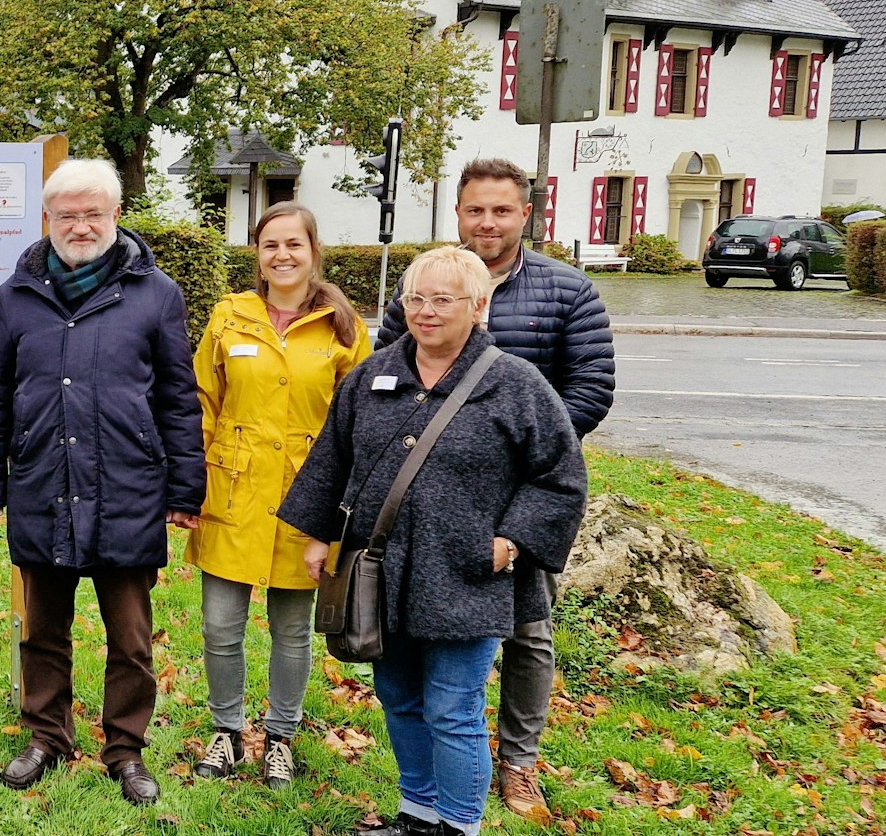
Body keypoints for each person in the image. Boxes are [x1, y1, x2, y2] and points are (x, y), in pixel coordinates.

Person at [282, 247, 587, 836]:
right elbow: (334, 456)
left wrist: (514, 542)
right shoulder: (373, 374)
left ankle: (458, 825)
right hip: (381, 569)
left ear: (478, 306)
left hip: (466, 575)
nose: (425, 311)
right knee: (399, 697)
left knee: (453, 709)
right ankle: (417, 815)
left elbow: (560, 476)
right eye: (416, 297)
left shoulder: (514, 383)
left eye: (443, 299)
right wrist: (321, 535)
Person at [375, 157, 615, 823]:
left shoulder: (567, 291)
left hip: (522, 496)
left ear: (525, 214)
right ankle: (429, 802)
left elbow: (591, 386)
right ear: (458, 212)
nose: (487, 220)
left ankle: (518, 761)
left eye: (501, 209)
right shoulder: (425, 281)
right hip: (434, 502)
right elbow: (388, 377)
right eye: (475, 208)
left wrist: (511, 451)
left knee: (529, 635)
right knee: (433, 657)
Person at [0, 159, 206, 807]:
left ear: (115, 216)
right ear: (49, 219)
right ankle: (49, 735)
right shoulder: (18, 295)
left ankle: (125, 748)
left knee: (129, 635)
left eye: (92, 213)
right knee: (43, 626)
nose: (80, 225)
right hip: (43, 483)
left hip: (127, 488)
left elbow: (179, 401)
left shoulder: (156, 294)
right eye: (66, 214)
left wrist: (186, 490)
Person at [186, 203, 368, 789]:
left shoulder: (343, 328)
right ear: (257, 255)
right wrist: (189, 484)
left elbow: (361, 425)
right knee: (220, 625)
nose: (282, 256)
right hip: (232, 495)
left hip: (306, 501)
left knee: (292, 631)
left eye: (294, 244)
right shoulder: (229, 318)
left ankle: (282, 735)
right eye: (270, 245)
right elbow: (201, 404)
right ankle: (226, 730)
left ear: (314, 251)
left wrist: (338, 513)